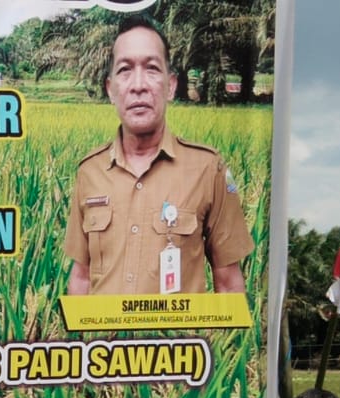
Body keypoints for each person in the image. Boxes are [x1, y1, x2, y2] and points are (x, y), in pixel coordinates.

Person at [63, 16, 252, 296]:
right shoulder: (89, 172)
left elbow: (228, 283)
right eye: (125, 70)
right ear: (110, 89)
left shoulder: (208, 169)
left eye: (151, 68)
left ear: (171, 85)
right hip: (103, 328)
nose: (138, 85)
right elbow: (81, 278)